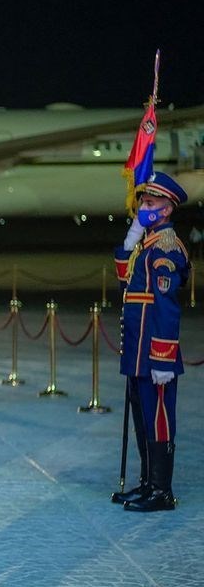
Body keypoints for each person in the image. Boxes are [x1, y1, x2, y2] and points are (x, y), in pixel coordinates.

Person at [112, 172, 188, 512]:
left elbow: (167, 309)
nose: (143, 207)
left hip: (153, 353)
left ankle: (161, 490)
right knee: (142, 418)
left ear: (167, 209)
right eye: (143, 202)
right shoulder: (147, 244)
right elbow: (123, 276)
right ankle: (146, 483)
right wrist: (132, 235)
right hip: (137, 351)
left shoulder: (166, 250)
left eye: (151, 203)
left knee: (158, 419)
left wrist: (162, 358)